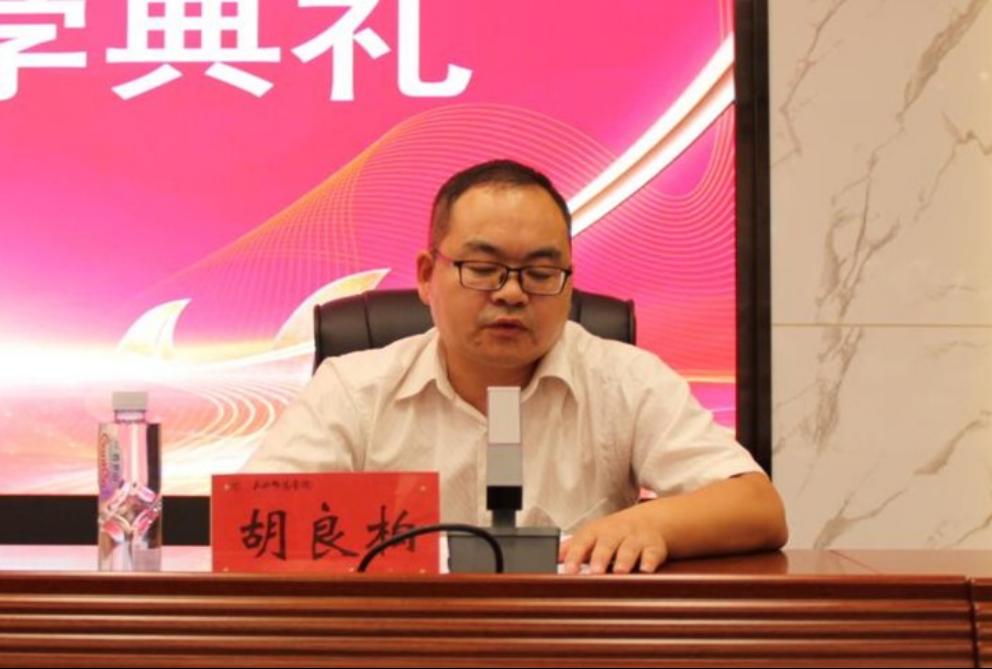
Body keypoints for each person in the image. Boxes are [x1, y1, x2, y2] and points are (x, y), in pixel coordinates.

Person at [245, 159, 788, 573]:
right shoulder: (353, 388)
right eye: (483, 268)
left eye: (540, 273)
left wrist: (652, 522)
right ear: (427, 275)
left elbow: (758, 508)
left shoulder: (626, 379)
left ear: (568, 282)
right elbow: (254, 524)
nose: (511, 293)